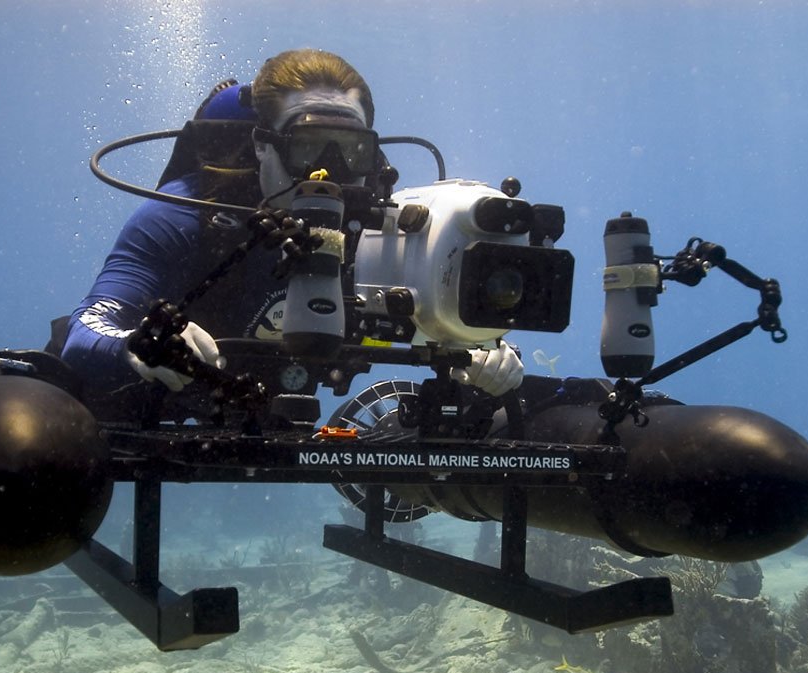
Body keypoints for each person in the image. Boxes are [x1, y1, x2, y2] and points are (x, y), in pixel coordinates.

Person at [61, 48, 522, 416]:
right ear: (264, 146)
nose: (330, 174)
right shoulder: (186, 216)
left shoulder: (388, 230)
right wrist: (138, 347)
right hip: (153, 403)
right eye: (308, 148)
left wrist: (482, 353)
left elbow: (434, 323)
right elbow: (85, 331)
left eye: (350, 152)